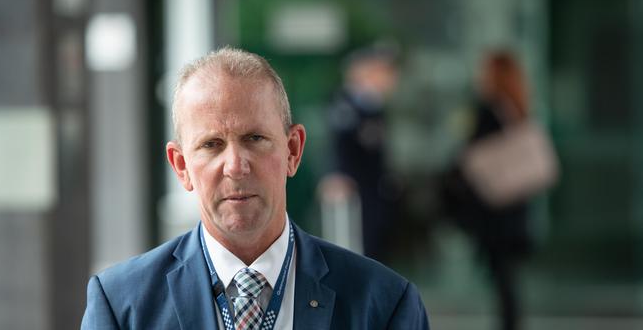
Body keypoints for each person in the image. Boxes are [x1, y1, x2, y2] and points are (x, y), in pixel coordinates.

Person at [81, 47, 429, 329]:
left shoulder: (384, 305)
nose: (235, 166)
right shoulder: (121, 306)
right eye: (211, 144)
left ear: (293, 151)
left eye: (255, 138)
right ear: (181, 166)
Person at [442, 50, 534, 330]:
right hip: (512, 206)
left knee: (503, 277)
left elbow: (469, 156)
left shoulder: (489, 110)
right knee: (506, 278)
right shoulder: (517, 109)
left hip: (495, 210)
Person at [319, 45, 400, 263]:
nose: (391, 78)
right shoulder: (346, 104)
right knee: (354, 252)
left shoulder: (374, 105)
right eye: (383, 71)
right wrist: (337, 174)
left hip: (374, 191)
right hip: (354, 194)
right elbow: (338, 146)